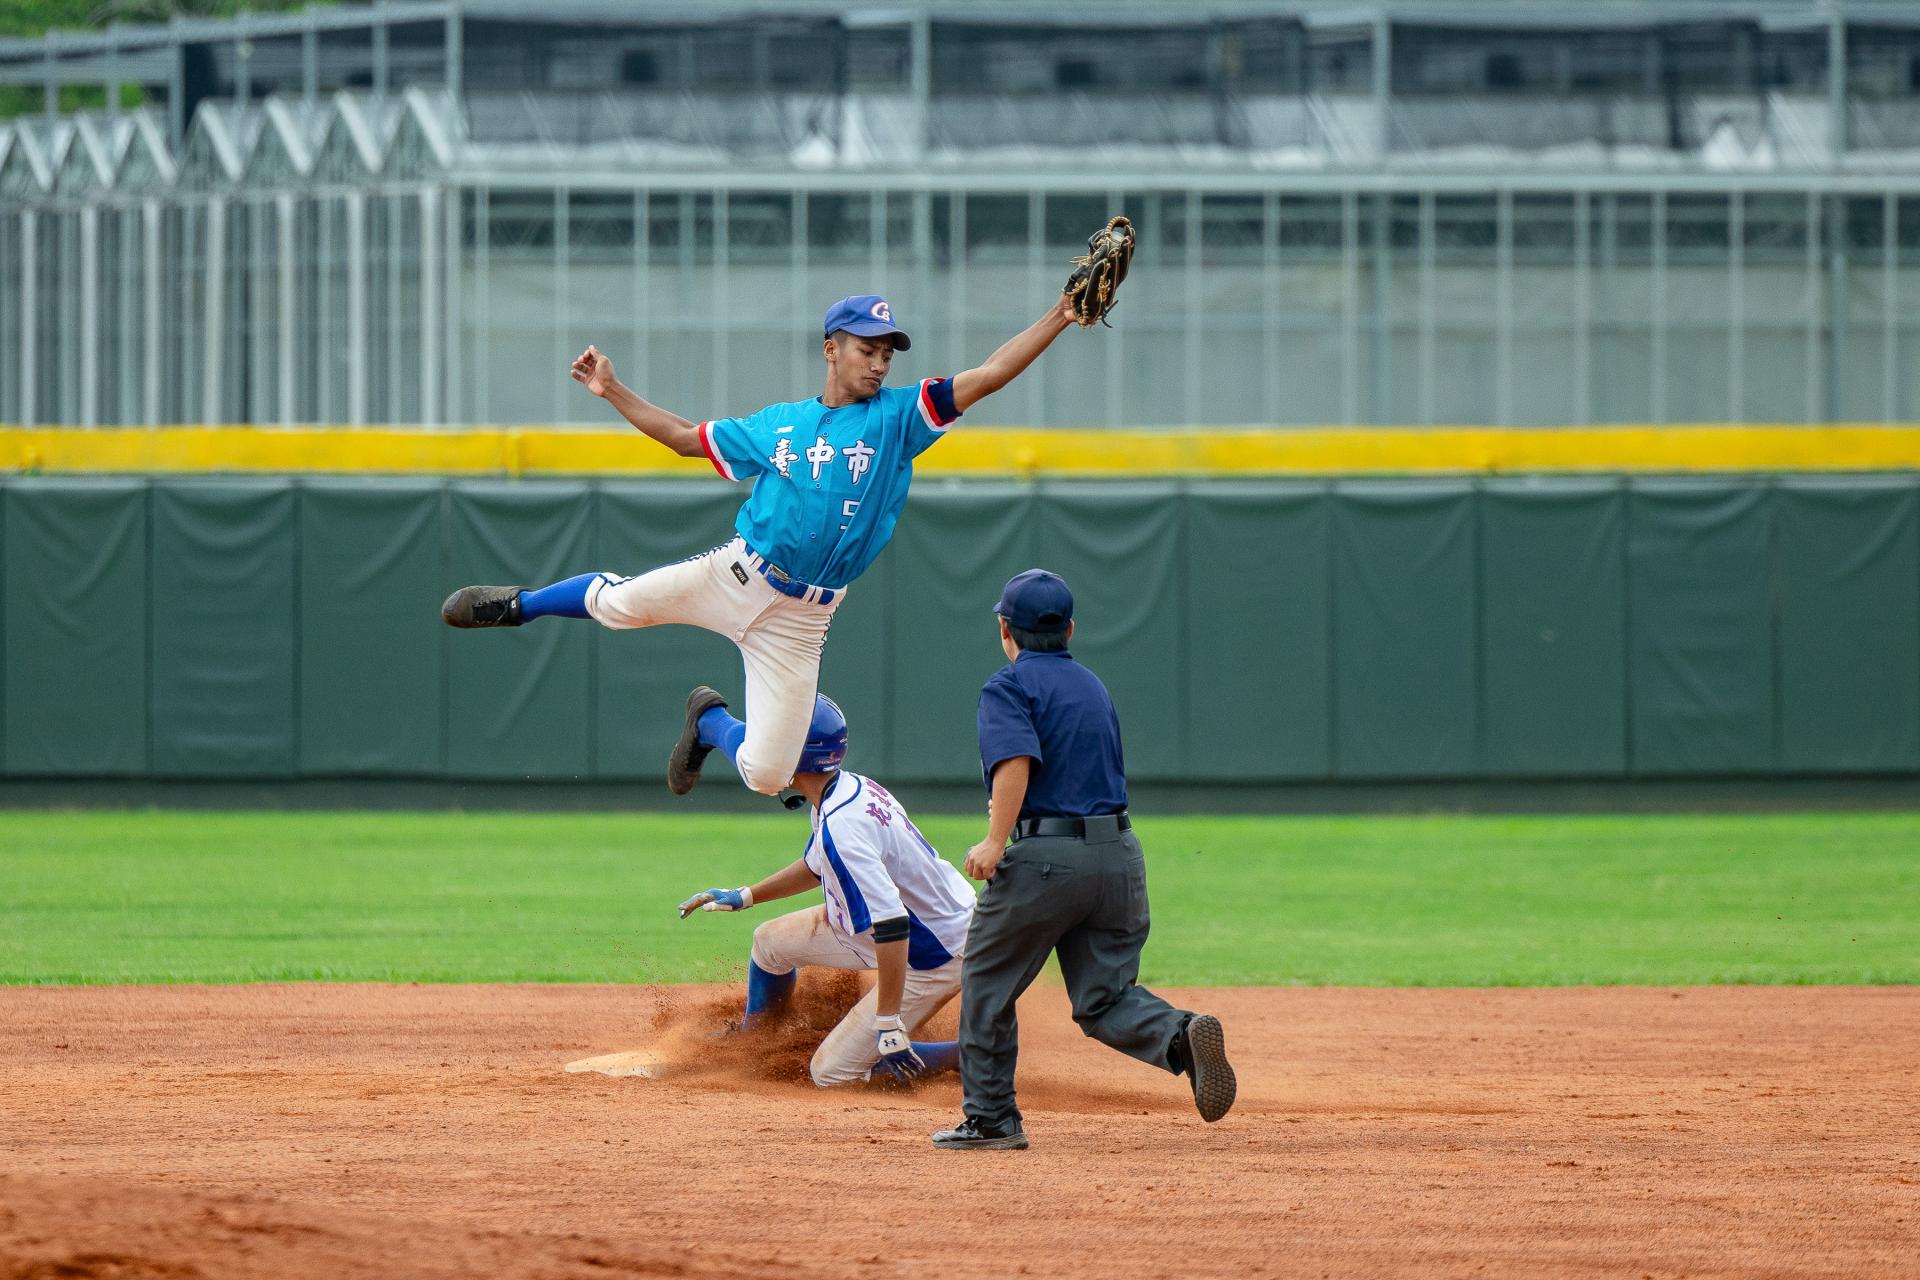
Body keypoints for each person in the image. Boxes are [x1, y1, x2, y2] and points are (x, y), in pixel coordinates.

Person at [440, 292, 1085, 800]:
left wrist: (1060, 313)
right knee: (618, 606)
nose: (880, 363)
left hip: (803, 621)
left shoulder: (899, 417)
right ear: (831, 348)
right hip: (737, 575)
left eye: (888, 353)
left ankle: (707, 723)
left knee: (769, 775)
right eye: (867, 348)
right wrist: (612, 389)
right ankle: (519, 605)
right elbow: (685, 438)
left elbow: (990, 375)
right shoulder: (779, 425)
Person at [931, 569, 1237, 1151]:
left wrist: (995, 841)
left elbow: (1015, 763)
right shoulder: (1093, 686)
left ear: (1005, 629)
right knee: (1105, 999)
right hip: (1119, 855)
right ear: (1070, 629)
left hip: (1047, 861)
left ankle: (992, 1120)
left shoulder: (1008, 686)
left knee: (988, 984)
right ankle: (1179, 1036)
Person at [677, 693, 972, 1087]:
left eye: (777, 743)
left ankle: (968, 1054)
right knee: (769, 943)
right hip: (912, 926)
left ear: (797, 757)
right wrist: (745, 896)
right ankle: (756, 1040)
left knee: (831, 1073)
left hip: (933, 955)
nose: (767, 752)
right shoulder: (843, 789)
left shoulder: (843, 825)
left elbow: (893, 923)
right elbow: (817, 867)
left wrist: (888, 1022)